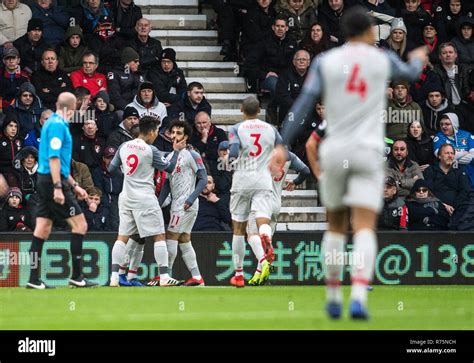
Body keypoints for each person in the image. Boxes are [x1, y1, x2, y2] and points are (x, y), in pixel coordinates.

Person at [271, 7, 427, 319]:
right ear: (370, 31)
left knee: (337, 226)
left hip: (335, 151)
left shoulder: (326, 61)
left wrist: (282, 144)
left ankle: (332, 295)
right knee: (365, 227)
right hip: (368, 151)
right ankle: (357, 296)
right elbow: (410, 74)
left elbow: (303, 104)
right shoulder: (380, 58)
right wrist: (419, 57)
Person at [27, 92, 96, 289]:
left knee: (42, 228)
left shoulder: (53, 123)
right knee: (80, 225)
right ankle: (77, 276)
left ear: (58, 104)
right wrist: (58, 187)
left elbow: (61, 163)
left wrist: (75, 186)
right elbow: (54, 158)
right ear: (73, 108)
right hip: (51, 182)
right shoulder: (58, 125)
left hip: (46, 179)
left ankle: (33, 279)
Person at [107, 115, 186, 287]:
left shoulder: (123, 146)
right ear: (150, 132)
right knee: (159, 236)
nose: (157, 134)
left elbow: (111, 169)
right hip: (145, 198)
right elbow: (170, 168)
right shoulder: (151, 150)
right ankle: (164, 277)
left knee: (122, 237)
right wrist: (177, 151)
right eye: (157, 131)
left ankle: (114, 277)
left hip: (126, 197)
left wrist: (129, 174)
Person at [227, 96, 283, 288]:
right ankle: (265, 236)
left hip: (242, 179)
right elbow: (281, 150)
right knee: (262, 219)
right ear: (259, 110)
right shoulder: (271, 129)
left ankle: (239, 275)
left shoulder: (236, 129)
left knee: (239, 229)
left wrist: (230, 160)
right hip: (263, 179)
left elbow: (233, 149)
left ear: (241, 109)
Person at [247, 150, 310, 285]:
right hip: (276, 203)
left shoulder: (260, 153)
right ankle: (259, 276)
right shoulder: (288, 155)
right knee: (266, 240)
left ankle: (264, 264)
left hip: (261, 202)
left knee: (252, 236)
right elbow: (305, 171)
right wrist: (295, 182)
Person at [158, 120, 207, 286]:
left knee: (171, 235)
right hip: (176, 204)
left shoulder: (193, 154)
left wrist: (191, 198)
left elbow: (203, 179)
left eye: (179, 133)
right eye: (173, 132)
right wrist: (159, 203)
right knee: (184, 239)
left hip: (186, 205)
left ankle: (167, 275)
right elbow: (167, 183)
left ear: (186, 137)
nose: (174, 136)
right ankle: (197, 277)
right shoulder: (170, 156)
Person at [423, 143, 472, 229]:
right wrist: (442, 205)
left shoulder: (459, 171)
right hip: (436, 206)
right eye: (447, 153)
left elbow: (465, 191)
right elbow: (428, 190)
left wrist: (454, 207)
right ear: (439, 156)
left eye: (452, 153)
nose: (450, 156)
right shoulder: (430, 170)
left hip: (457, 209)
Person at [274, 49, 311, 125]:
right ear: (294, 62)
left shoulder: (314, 77)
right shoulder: (285, 76)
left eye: (304, 59)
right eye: (299, 59)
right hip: (289, 111)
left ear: (308, 63)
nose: (301, 61)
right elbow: (282, 96)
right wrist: (298, 106)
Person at [91, 145, 122, 231]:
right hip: (104, 203)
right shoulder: (98, 172)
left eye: (113, 158)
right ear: (104, 159)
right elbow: (99, 191)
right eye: (108, 158)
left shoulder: (122, 172)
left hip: (119, 203)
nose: (111, 161)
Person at [107, 47, 143, 111]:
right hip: (122, 108)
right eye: (135, 61)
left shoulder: (138, 74)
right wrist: (129, 108)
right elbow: (115, 97)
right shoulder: (114, 74)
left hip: (138, 107)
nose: (138, 63)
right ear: (127, 62)